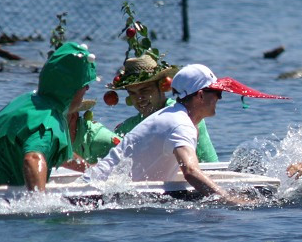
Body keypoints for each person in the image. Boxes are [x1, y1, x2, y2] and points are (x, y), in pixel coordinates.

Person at [85, 64, 288, 203]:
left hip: (103, 187)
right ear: (200, 95)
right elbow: (191, 171)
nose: (220, 98)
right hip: (95, 194)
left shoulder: (175, 115)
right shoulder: (180, 124)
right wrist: (230, 199)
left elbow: (187, 170)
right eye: (216, 93)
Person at [0, 43, 98, 190]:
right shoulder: (47, 121)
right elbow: (33, 158)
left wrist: (91, 170)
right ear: (70, 88)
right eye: (84, 84)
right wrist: (39, 205)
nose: (87, 88)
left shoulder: (29, 101)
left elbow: (53, 150)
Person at [74, 53, 218, 164]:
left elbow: (211, 164)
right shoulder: (125, 129)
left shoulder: (185, 116)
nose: (139, 98)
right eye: (133, 93)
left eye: (145, 90)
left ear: (162, 86)